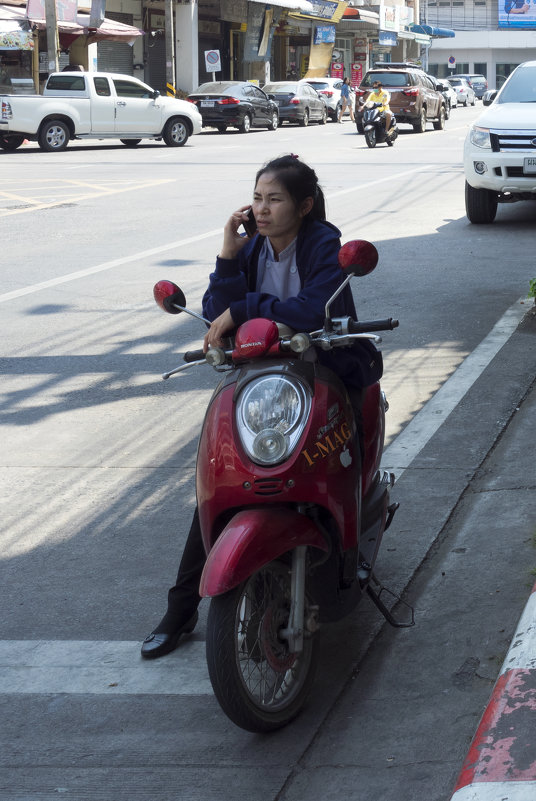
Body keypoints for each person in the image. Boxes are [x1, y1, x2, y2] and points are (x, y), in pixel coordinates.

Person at [140, 154, 382, 659]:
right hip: (262, 378)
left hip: (326, 364)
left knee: (342, 453)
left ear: (304, 205)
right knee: (220, 480)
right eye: (257, 198)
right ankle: (181, 607)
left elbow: (312, 308)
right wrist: (228, 256)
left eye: (275, 199)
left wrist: (243, 309)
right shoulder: (251, 250)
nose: (263, 208)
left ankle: (351, 553)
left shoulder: (323, 243)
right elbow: (214, 313)